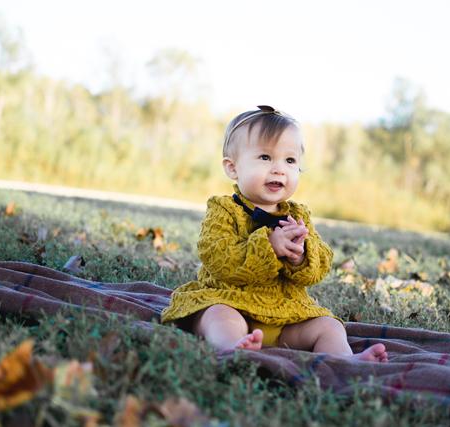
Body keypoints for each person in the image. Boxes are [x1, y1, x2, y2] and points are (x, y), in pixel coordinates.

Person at [161, 105, 387, 363]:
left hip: (286, 317)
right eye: (266, 158)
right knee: (217, 316)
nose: (279, 169)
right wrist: (268, 246)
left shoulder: (298, 215)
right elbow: (218, 257)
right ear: (233, 168)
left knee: (329, 326)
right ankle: (232, 347)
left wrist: (300, 256)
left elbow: (321, 264)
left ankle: (345, 361)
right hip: (232, 302)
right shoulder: (223, 209)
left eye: (290, 161)